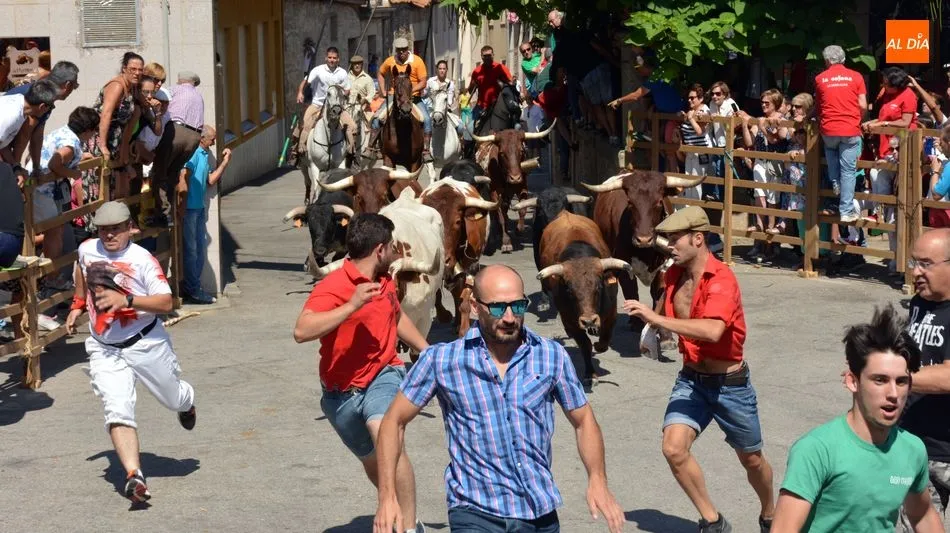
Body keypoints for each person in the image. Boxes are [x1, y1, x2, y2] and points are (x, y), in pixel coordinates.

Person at [373, 264, 625, 533]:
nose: (509, 317)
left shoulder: (551, 356)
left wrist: (597, 480)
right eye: (497, 308)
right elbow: (393, 421)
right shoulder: (443, 360)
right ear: (474, 306)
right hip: (474, 512)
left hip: (538, 511)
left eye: (518, 306)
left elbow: (583, 420)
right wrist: (387, 498)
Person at [624, 206, 774, 533]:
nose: (669, 246)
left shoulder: (722, 279)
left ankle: (769, 513)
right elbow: (668, 314)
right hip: (691, 380)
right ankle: (713, 521)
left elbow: (712, 330)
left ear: (697, 239)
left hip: (730, 384)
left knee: (752, 460)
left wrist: (656, 319)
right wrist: (653, 331)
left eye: (675, 239)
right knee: (673, 448)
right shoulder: (673, 275)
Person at [292, 213, 429, 533]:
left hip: (384, 374)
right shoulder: (334, 286)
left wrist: (428, 351)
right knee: (374, 461)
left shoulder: (385, 280)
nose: (396, 251)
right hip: (338, 397)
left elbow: (395, 318)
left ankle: (408, 526)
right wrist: (351, 306)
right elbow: (301, 330)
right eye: (392, 246)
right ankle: (394, 507)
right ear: (380, 250)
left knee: (386, 434)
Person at [65, 201, 196, 504]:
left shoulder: (142, 260)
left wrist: (127, 301)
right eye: (103, 230)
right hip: (104, 347)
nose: (109, 235)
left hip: (146, 342)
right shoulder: (87, 249)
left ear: (130, 228)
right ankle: (134, 475)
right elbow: (82, 273)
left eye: (116, 229)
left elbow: (166, 303)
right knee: (117, 407)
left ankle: (187, 402)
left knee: (172, 398)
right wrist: (77, 305)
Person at [771, 305, 942, 532]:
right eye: (880, 380)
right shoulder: (816, 450)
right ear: (853, 381)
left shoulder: (912, 449)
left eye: (901, 381)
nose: (893, 393)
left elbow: (922, 514)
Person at [896, 227, 950, 531]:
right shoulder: (919, 303)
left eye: (925, 264)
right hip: (917, 445)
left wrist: (892, 377)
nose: (916, 272)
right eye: (913, 262)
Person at [814, 45, 867, 223]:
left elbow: (819, 106)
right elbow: (863, 105)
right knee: (849, 171)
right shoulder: (856, 76)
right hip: (850, 128)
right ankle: (846, 210)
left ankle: (835, 180)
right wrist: (857, 119)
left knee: (830, 151)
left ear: (827, 60)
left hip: (828, 128)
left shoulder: (820, 78)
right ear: (843, 59)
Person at [178, 125, 230, 305]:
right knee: (192, 251)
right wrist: (182, 204)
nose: (214, 143)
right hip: (190, 209)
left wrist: (225, 163)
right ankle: (193, 290)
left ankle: (194, 287)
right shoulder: (193, 154)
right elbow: (184, 175)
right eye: (212, 139)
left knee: (199, 250)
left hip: (199, 208)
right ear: (202, 138)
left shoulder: (205, 155)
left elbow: (210, 180)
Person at [148, 70, 205, 227]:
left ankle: (163, 215)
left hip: (176, 132)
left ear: (180, 80)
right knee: (173, 174)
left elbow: (156, 98)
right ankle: (169, 214)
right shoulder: (198, 96)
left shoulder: (175, 90)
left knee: (159, 172)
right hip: (195, 137)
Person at [7, 60, 80, 179]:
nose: (72, 90)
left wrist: (37, 168)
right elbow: (24, 135)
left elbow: (37, 135)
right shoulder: (41, 97)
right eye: (74, 86)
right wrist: (16, 168)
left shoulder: (46, 97)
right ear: (67, 85)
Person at [368, 38, 432, 161]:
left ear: (408, 49)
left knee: (427, 119)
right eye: (399, 50)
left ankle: (426, 150)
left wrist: (409, 91)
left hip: (414, 97)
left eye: (404, 49)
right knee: (377, 118)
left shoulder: (417, 61)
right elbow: (380, 73)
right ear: (396, 50)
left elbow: (423, 82)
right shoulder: (390, 61)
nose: (401, 52)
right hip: (394, 96)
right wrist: (383, 90)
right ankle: (371, 147)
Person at [93, 52, 144, 199]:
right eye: (133, 69)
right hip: (101, 139)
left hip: (117, 143)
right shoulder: (117, 85)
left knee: (116, 191)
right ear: (124, 69)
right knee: (102, 190)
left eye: (140, 70)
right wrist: (102, 145)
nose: (137, 73)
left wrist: (124, 151)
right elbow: (106, 114)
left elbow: (130, 122)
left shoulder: (133, 89)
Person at [294, 46, 354, 159]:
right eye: (330, 57)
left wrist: (342, 94)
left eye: (334, 58)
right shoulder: (318, 70)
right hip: (317, 105)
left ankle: (351, 154)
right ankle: (297, 152)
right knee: (304, 124)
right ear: (326, 58)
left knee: (352, 126)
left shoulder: (342, 73)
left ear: (338, 59)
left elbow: (347, 89)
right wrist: (300, 92)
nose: (332, 60)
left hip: (336, 107)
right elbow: (305, 82)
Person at [466, 45, 513, 128]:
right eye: (485, 56)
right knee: (469, 129)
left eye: (489, 55)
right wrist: (473, 83)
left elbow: (511, 84)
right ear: (481, 56)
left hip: (499, 105)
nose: (487, 58)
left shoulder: (501, 68)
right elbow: (470, 91)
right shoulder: (477, 71)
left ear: (493, 55)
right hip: (482, 106)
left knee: (515, 125)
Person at [347, 55, 376, 122]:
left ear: (362, 64)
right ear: (352, 65)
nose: (357, 66)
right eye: (355, 64)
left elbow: (372, 93)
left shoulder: (368, 79)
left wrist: (365, 99)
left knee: (373, 124)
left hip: (363, 108)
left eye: (359, 63)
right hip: (347, 108)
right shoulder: (346, 77)